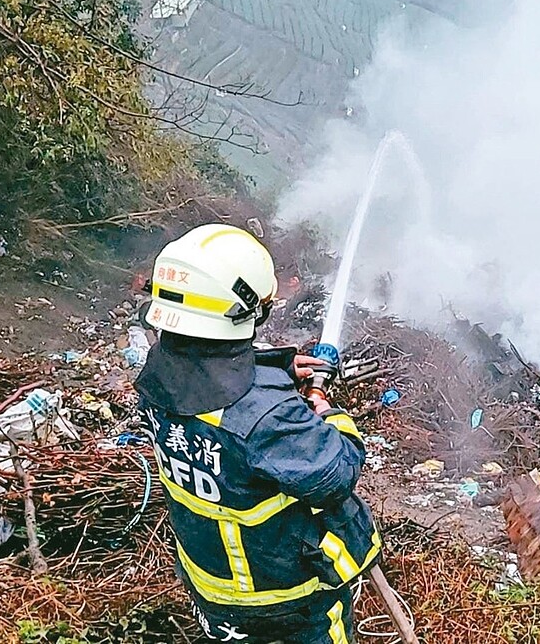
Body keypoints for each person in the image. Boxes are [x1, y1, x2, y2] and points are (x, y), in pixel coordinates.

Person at [134, 224, 380, 643]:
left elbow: (207, 373)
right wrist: (329, 411)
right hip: (284, 597)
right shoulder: (265, 417)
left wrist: (280, 368)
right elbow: (336, 473)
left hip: (210, 582)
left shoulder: (158, 374)